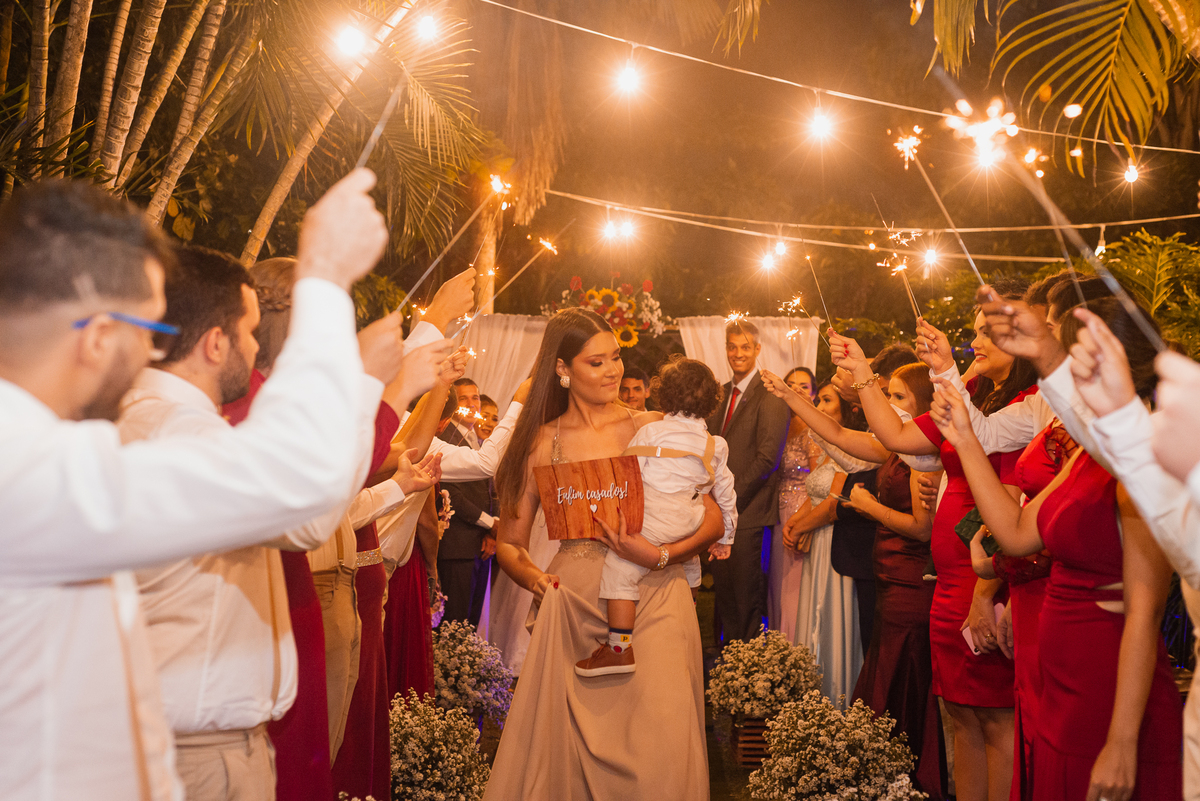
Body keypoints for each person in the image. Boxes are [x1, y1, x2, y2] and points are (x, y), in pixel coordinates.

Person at [0, 170, 447, 800]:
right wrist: (323, 278)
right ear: (98, 338)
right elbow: (293, 481)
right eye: (147, 333)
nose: (153, 354)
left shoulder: (51, 455)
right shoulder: (37, 473)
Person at [117, 246, 439, 800]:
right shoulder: (181, 434)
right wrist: (382, 388)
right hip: (196, 746)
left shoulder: (153, 419)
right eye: (247, 332)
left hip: (198, 733)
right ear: (215, 344)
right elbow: (309, 515)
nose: (254, 346)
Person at [930, 299, 1183, 800]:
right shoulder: (1088, 453)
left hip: (1108, 691)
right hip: (1059, 685)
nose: (1060, 377)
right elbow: (1018, 533)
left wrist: (1122, 742)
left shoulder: (1147, 460)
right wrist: (964, 438)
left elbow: (1143, 612)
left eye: (1069, 358)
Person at [485, 308, 724, 799]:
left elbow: (713, 517)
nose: (614, 370)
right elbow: (509, 543)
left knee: (663, 741)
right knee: (568, 761)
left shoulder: (654, 427)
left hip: (658, 595)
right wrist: (536, 581)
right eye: (597, 362)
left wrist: (661, 555)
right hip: (574, 607)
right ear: (562, 368)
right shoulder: (537, 443)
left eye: (616, 357)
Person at [827, 280, 1037, 801]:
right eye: (975, 331)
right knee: (959, 716)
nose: (975, 342)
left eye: (987, 332)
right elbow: (897, 437)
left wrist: (985, 593)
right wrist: (862, 372)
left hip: (985, 577)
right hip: (946, 578)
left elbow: (1012, 500)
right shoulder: (977, 390)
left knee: (996, 719)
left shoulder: (1029, 406)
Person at [575, 356, 738, 677]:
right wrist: (726, 537)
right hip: (690, 518)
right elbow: (726, 493)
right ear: (712, 401)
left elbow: (627, 474)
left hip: (655, 517)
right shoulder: (715, 444)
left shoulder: (651, 432)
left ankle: (619, 649)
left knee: (620, 570)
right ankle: (687, 606)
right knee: (690, 558)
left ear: (664, 394)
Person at [776, 380, 868, 701]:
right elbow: (815, 492)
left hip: (836, 541)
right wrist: (795, 522)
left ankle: (838, 692)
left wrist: (801, 528)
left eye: (827, 401)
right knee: (812, 610)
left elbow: (832, 504)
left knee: (831, 614)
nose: (820, 407)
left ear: (847, 410)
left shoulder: (853, 449)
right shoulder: (826, 447)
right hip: (819, 544)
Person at [706, 319, 791, 643]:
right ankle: (730, 666)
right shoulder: (721, 393)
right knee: (725, 602)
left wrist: (726, 499)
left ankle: (751, 670)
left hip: (750, 514)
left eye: (745, 347)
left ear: (757, 349)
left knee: (748, 604)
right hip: (720, 515)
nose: (737, 353)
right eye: (732, 347)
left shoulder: (770, 394)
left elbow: (767, 459)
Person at [436, 381, 498, 626]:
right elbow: (451, 493)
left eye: (476, 398)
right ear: (453, 405)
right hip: (457, 545)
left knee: (470, 622)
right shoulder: (447, 438)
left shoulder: (477, 439)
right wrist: (490, 523)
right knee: (454, 621)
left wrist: (491, 530)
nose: (472, 404)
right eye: (464, 399)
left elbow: (491, 490)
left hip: (479, 543)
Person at [770, 367, 817, 639]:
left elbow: (818, 480)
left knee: (794, 583)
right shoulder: (776, 426)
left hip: (800, 510)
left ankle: (795, 640)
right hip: (775, 511)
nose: (796, 390)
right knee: (776, 580)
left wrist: (805, 520)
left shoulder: (813, 429)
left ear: (813, 393)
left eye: (803, 386)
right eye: (790, 385)